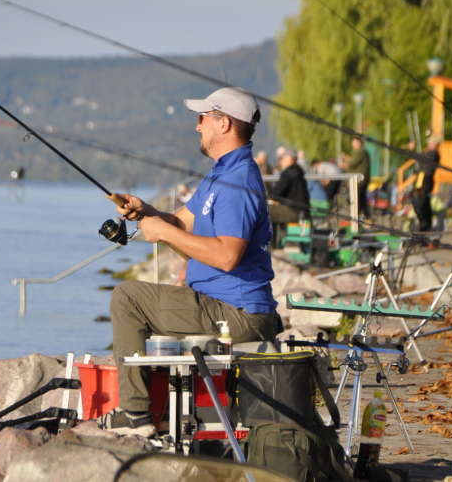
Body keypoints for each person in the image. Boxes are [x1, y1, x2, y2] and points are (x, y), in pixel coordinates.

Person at [103, 87, 281, 436]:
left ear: (225, 123)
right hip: (226, 307)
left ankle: (136, 416)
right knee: (136, 300)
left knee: (127, 298)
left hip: (238, 313)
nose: (197, 126)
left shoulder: (238, 180)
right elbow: (183, 223)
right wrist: (147, 212)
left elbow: (227, 256)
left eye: (203, 118)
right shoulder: (221, 174)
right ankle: (167, 415)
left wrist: (164, 234)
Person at [268, 147, 310, 224]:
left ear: (290, 159)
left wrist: (267, 195)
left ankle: (271, 236)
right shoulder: (297, 171)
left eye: (282, 159)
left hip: (294, 211)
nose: (281, 162)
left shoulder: (289, 173)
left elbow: (276, 193)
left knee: (263, 211)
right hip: (301, 210)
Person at [411, 137, 440, 232]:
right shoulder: (429, 154)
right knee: (418, 201)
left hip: (426, 180)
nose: (429, 144)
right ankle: (424, 224)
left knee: (421, 202)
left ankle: (425, 225)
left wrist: (413, 149)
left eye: (431, 143)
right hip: (421, 179)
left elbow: (421, 157)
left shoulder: (434, 154)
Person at [341, 137, 371, 219]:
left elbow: (352, 163)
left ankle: (358, 217)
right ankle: (364, 216)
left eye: (354, 142)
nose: (352, 144)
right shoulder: (362, 152)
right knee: (361, 199)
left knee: (357, 199)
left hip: (358, 180)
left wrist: (345, 161)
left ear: (359, 143)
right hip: (361, 179)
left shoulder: (360, 152)